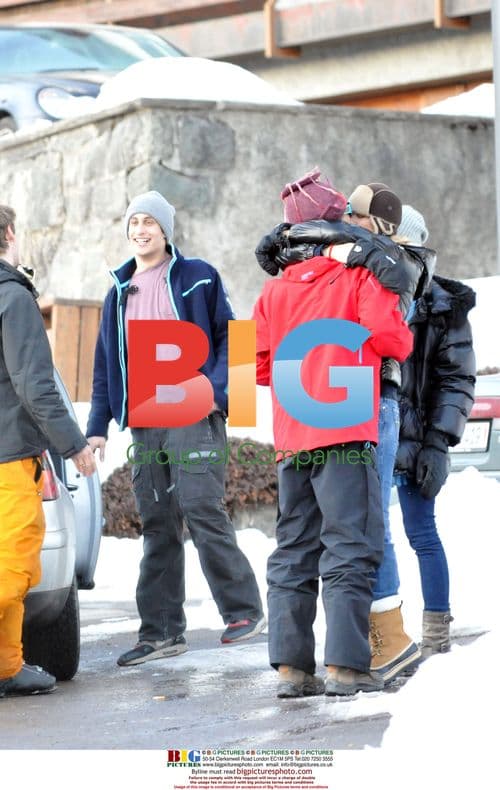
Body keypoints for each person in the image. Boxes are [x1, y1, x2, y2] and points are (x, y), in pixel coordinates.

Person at [256, 182, 430, 683]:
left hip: (293, 432)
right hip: (347, 425)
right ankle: (343, 667)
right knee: (350, 545)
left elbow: (260, 368)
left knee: (293, 550)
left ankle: (291, 670)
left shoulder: (271, 290)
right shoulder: (357, 276)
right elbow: (392, 339)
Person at [86, 191, 265, 667]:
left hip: (193, 410)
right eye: (134, 222)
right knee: (158, 522)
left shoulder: (197, 276)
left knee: (201, 506)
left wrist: (219, 394)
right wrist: (98, 425)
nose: (140, 230)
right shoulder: (118, 292)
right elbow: (106, 364)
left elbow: (235, 336)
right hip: (146, 418)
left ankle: (244, 611)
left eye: (149, 222)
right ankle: (161, 632)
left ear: (166, 230)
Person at [0, 205, 96, 698]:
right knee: (14, 565)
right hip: (8, 458)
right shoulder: (12, 298)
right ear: (9, 234)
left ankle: (8, 665)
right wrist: (73, 445)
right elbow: (35, 386)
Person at [393, 205, 475, 657]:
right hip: (373, 436)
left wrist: (438, 443)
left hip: (420, 439)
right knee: (368, 540)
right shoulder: (374, 289)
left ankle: (437, 631)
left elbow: (457, 379)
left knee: (422, 534)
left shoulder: (444, 306)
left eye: (405, 244)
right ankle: (381, 634)